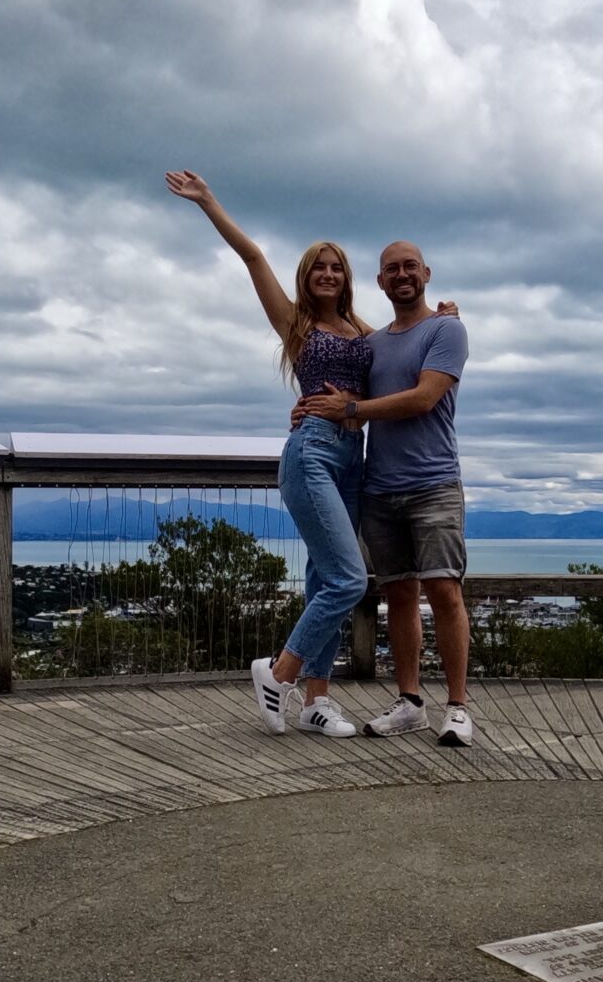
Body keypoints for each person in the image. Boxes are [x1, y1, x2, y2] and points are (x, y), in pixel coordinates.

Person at [164, 170, 374, 738]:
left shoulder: (362, 329)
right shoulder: (296, 324)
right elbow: (253, 256)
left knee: (324, 576)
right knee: (350, 580)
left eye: (336, 267)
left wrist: (441, 318)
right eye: (317, 268)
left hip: (351, 458)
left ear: (346, 279)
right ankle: (278, 672)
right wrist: (208, 201)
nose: (327, 274)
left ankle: (317, 701)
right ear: (306, 279)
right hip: (310, 455)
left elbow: (402, 360)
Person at [299, 240, 473, 747]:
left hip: (435, 482)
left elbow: (422, 398)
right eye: (392, 269)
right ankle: (410, 702)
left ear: (426, 273)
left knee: (444, 591)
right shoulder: (372, 343)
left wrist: (351, 412)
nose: (402, 275)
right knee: (398, 594)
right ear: (379, 282)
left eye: (410, 267)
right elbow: (346, 390)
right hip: (380, 486)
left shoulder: (446, 329)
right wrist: (309, 408)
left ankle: (458, 706)